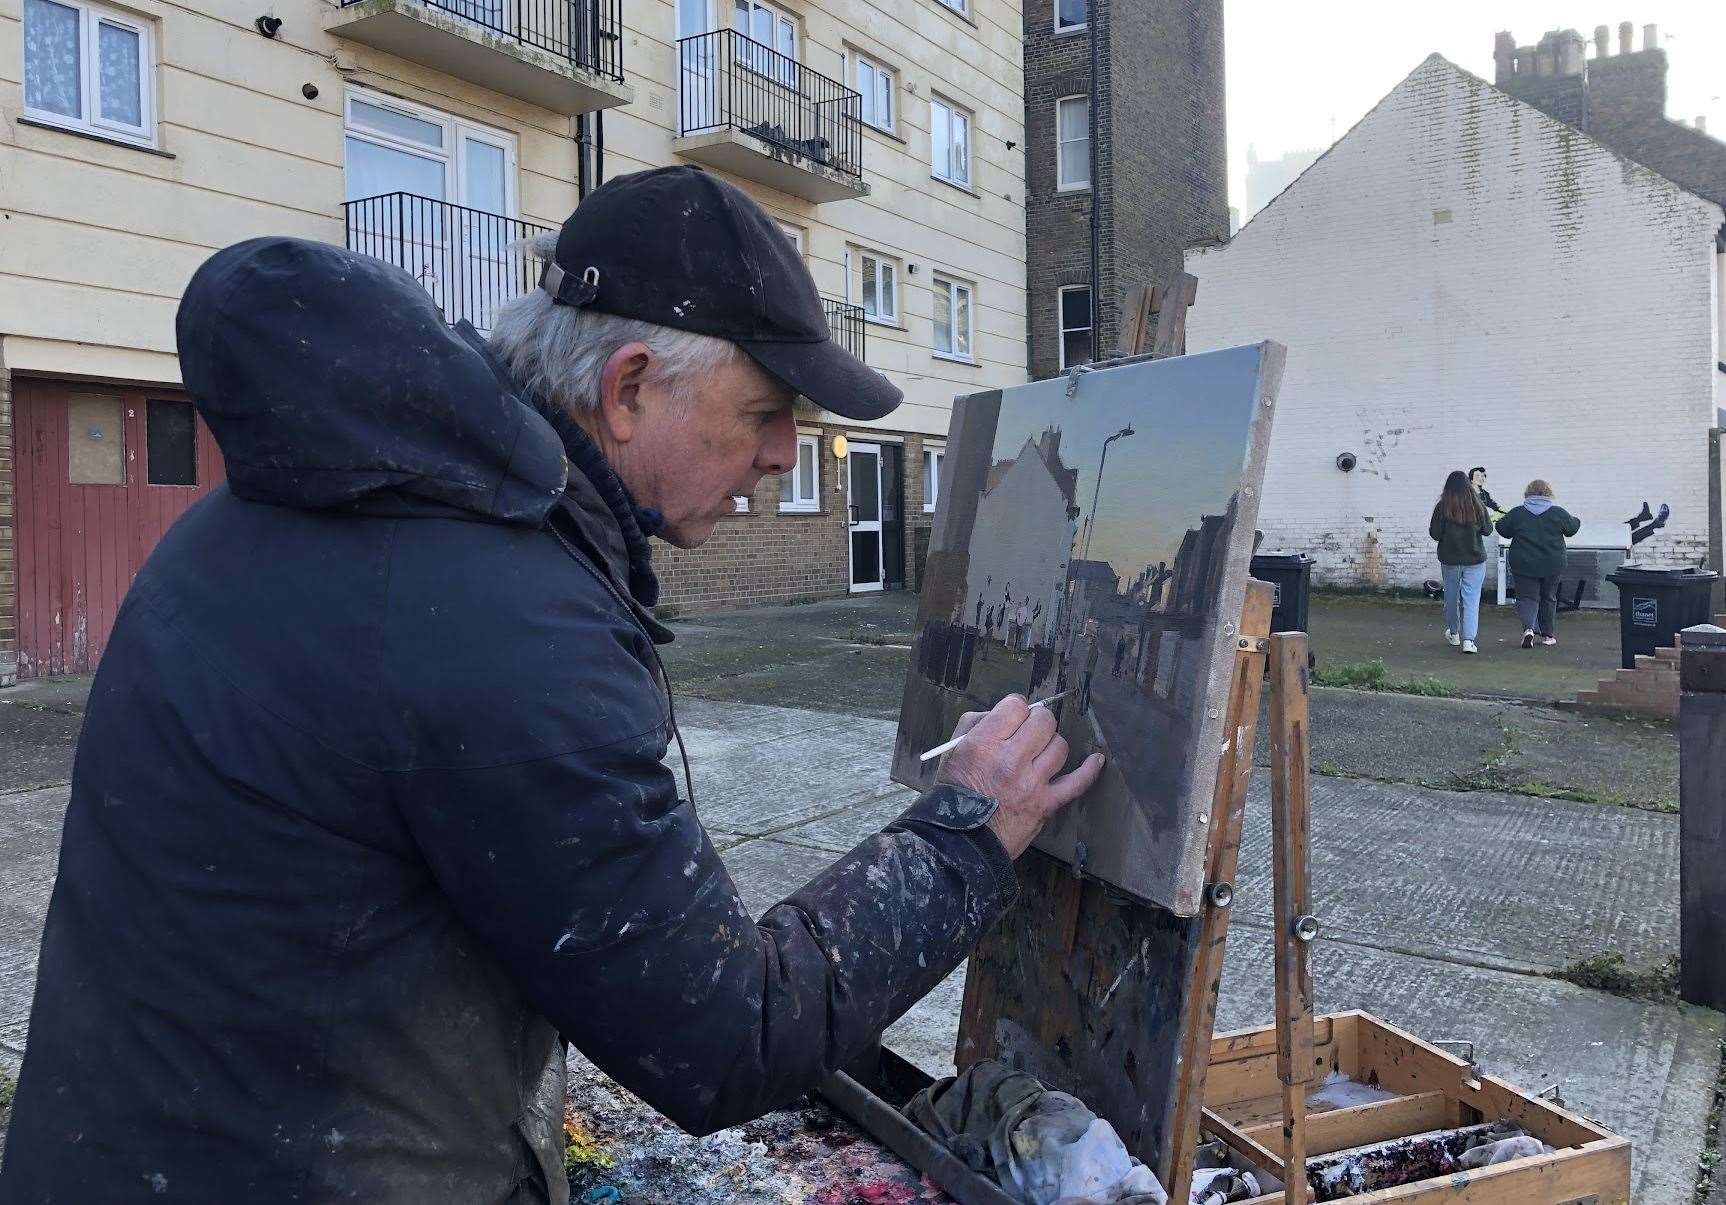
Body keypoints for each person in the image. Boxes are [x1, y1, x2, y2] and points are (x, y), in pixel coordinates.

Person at [1, 167, 1106, 1200]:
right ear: (628, 389)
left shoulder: (279, 516)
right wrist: (966, 826)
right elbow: (721, 1033)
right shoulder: (498, 615)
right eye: (767, 411)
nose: (784, 454)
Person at [1495, 479, 1582, 648]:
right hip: (1552, 564)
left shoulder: (1518, 513)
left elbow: (1502, 529)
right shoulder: (1558, 513)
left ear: (1528, 493)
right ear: (1548, 493)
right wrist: (1576, 519)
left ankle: (1529, 629)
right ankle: (1548, 635)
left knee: (1528, 598)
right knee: (1548, 597)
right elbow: (1572, 529)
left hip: (1523, 564)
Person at [1429, 470, 1493, 654]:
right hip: (1474, 559)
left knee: (1451, 598)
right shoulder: (1477, 505)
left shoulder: (1442, 507)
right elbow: (1488, 530)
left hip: (1450, 559)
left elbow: (1435, 534)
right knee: (1471, 600)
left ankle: (1454, 633)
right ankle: (1469, 641)